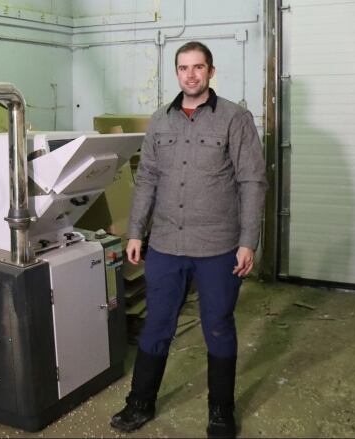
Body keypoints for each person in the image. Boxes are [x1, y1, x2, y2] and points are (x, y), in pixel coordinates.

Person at [110, 41, 267, 438]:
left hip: (218, 246)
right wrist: (135, 231)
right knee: (157, 326)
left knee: (217, 325)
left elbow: (252, 181)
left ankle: (220, 412)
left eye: (199, 67)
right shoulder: (159, 121)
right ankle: (139, 403)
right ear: (176, 73)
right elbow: (146, 179)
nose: (191, 75)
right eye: (183, 68)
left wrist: (248, 241)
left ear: (211, 71)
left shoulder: (236, 118)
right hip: (165, 243)